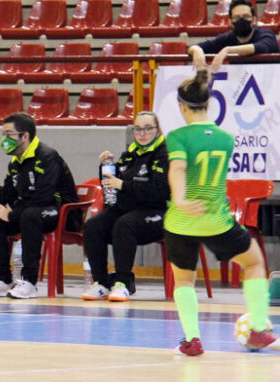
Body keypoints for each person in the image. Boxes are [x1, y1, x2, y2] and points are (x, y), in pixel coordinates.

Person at [166, 69, 277, 356]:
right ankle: (258, 329)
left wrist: (179, 199)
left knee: (184, 280)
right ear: (209, 103)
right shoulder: (226, 138)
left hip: (180, 222)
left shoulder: (178, 136)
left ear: (181, 106)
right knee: (253, 264)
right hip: (215, 220)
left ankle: (192, 339)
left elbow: (178, 168)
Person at [0, 112, 78, 299]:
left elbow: (43, 198)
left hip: (60, 212)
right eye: (3, 134)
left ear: (25, 136)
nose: (4, 139)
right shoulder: (16, 162)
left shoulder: (47, 156)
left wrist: (12, 215)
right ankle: (2, 279)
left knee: (29, 215)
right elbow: (5, 196)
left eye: (9, 134)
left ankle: (29, 282)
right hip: (31, 212)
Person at [81, 111, 170, 302]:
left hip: (157, 213)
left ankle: (123, 283)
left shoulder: (164, 155)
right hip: (127, 209)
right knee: (93, 225)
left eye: (148, 129)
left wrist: (124, 185)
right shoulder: (129, 154)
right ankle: (101, 283)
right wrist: (106, 166)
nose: (142, 133)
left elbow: (159, 191)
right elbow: (112, 188)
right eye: (138, 129)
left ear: (157, 130)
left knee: (124, 224)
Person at [188, 0, 279, 72]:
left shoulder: (267, 34)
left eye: (246, 16)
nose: (241, 20)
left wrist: (228, 50)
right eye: (236, 17)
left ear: (254, 20)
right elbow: (192, 48)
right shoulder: (228, 37)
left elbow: (261, 47)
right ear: (230, 22)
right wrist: (197, 50)